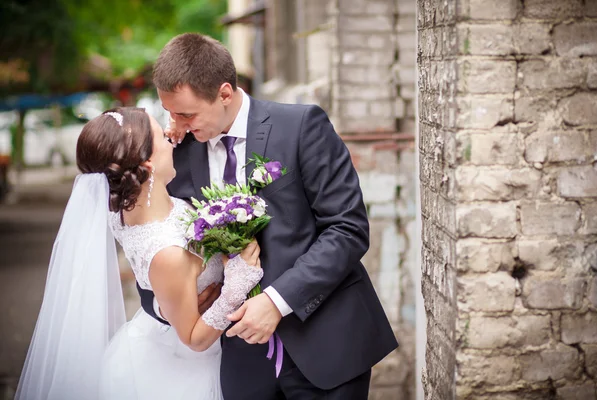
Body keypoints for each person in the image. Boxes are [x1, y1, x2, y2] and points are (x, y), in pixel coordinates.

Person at [140, 33, 399, 399]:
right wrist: (172, 307)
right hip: (238, 360)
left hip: (326, 343)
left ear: (225, 93)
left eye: (186, 113)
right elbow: (153, 241)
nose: (177, 123)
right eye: (170, 112)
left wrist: (277, 301)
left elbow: (347, 228)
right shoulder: (177, 158)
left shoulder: (301, 127)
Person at [15, 107, 263, 400]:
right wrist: (233, 289)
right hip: (185, 370)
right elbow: (194, 339)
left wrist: (165, 305)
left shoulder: (123, 208)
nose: (172, 140)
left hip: (152, 339)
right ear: (147, 162)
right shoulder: (166, 251)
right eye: (162, 135)